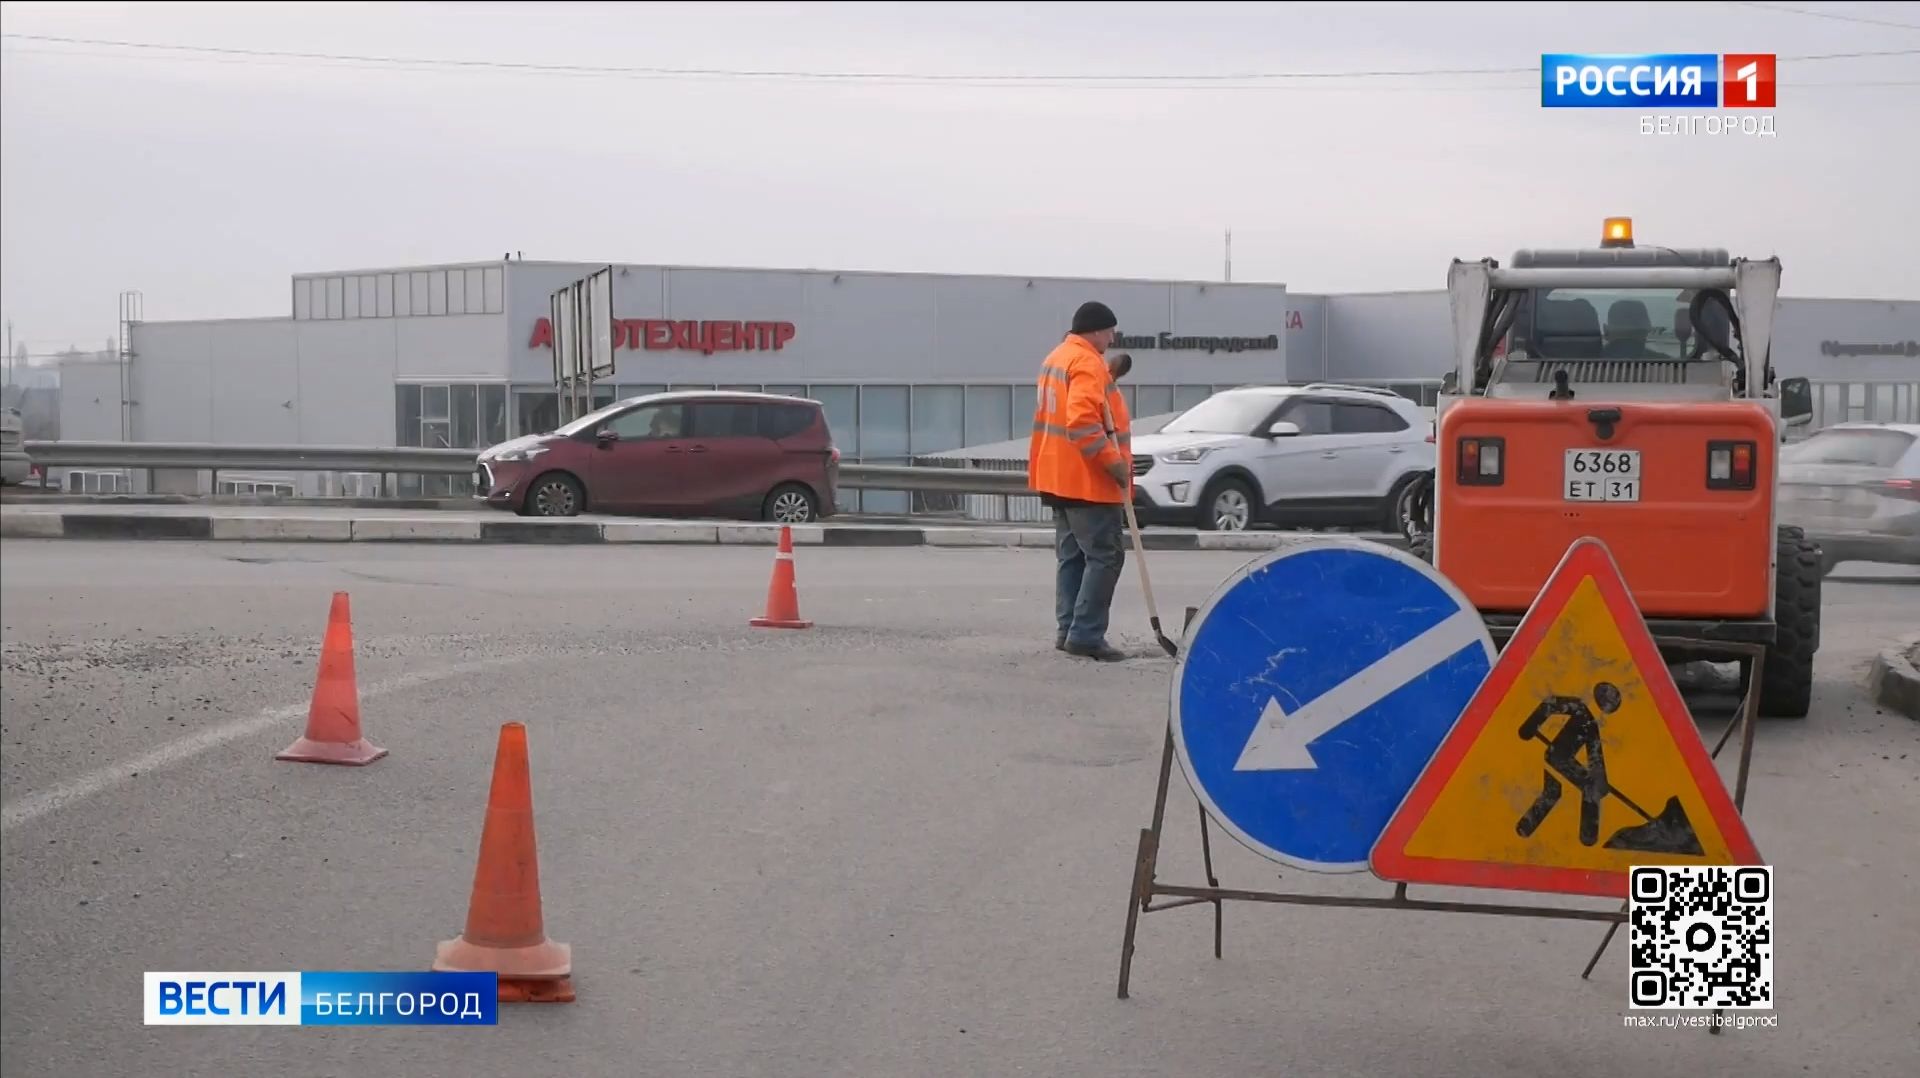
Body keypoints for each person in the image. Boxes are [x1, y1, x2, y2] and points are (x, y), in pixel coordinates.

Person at [1029, 301, 1132, 662]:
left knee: (1072, 557)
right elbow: (1082, 422)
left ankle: (1068, 629)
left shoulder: (1057, 357)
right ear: (1095, 330)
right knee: (1105, 557)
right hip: (1088, 481)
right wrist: (1113, 462)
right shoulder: (1087, 363)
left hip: (1056, 476)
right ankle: (1086, 635)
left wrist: (1108, 379)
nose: (1112, 337)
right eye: (1109, 331)